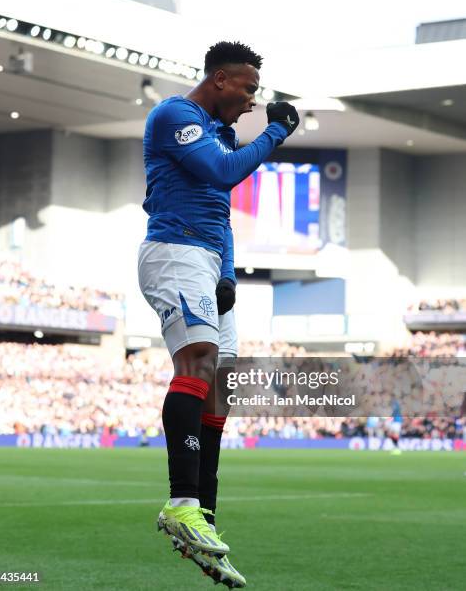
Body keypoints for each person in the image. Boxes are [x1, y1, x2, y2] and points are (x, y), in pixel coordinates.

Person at [138, 40, 299, 587]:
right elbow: (220, 173)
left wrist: (227, 272)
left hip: (206, 257)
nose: (252, 101)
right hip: (175, 251)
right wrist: (277, 133)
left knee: (220, 383)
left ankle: (202, 518)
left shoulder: (218, 129)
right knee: (199, 360)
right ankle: (180, 503)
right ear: (221, 79)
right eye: (249, 89)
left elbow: (221, 211)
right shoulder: (175, 115)